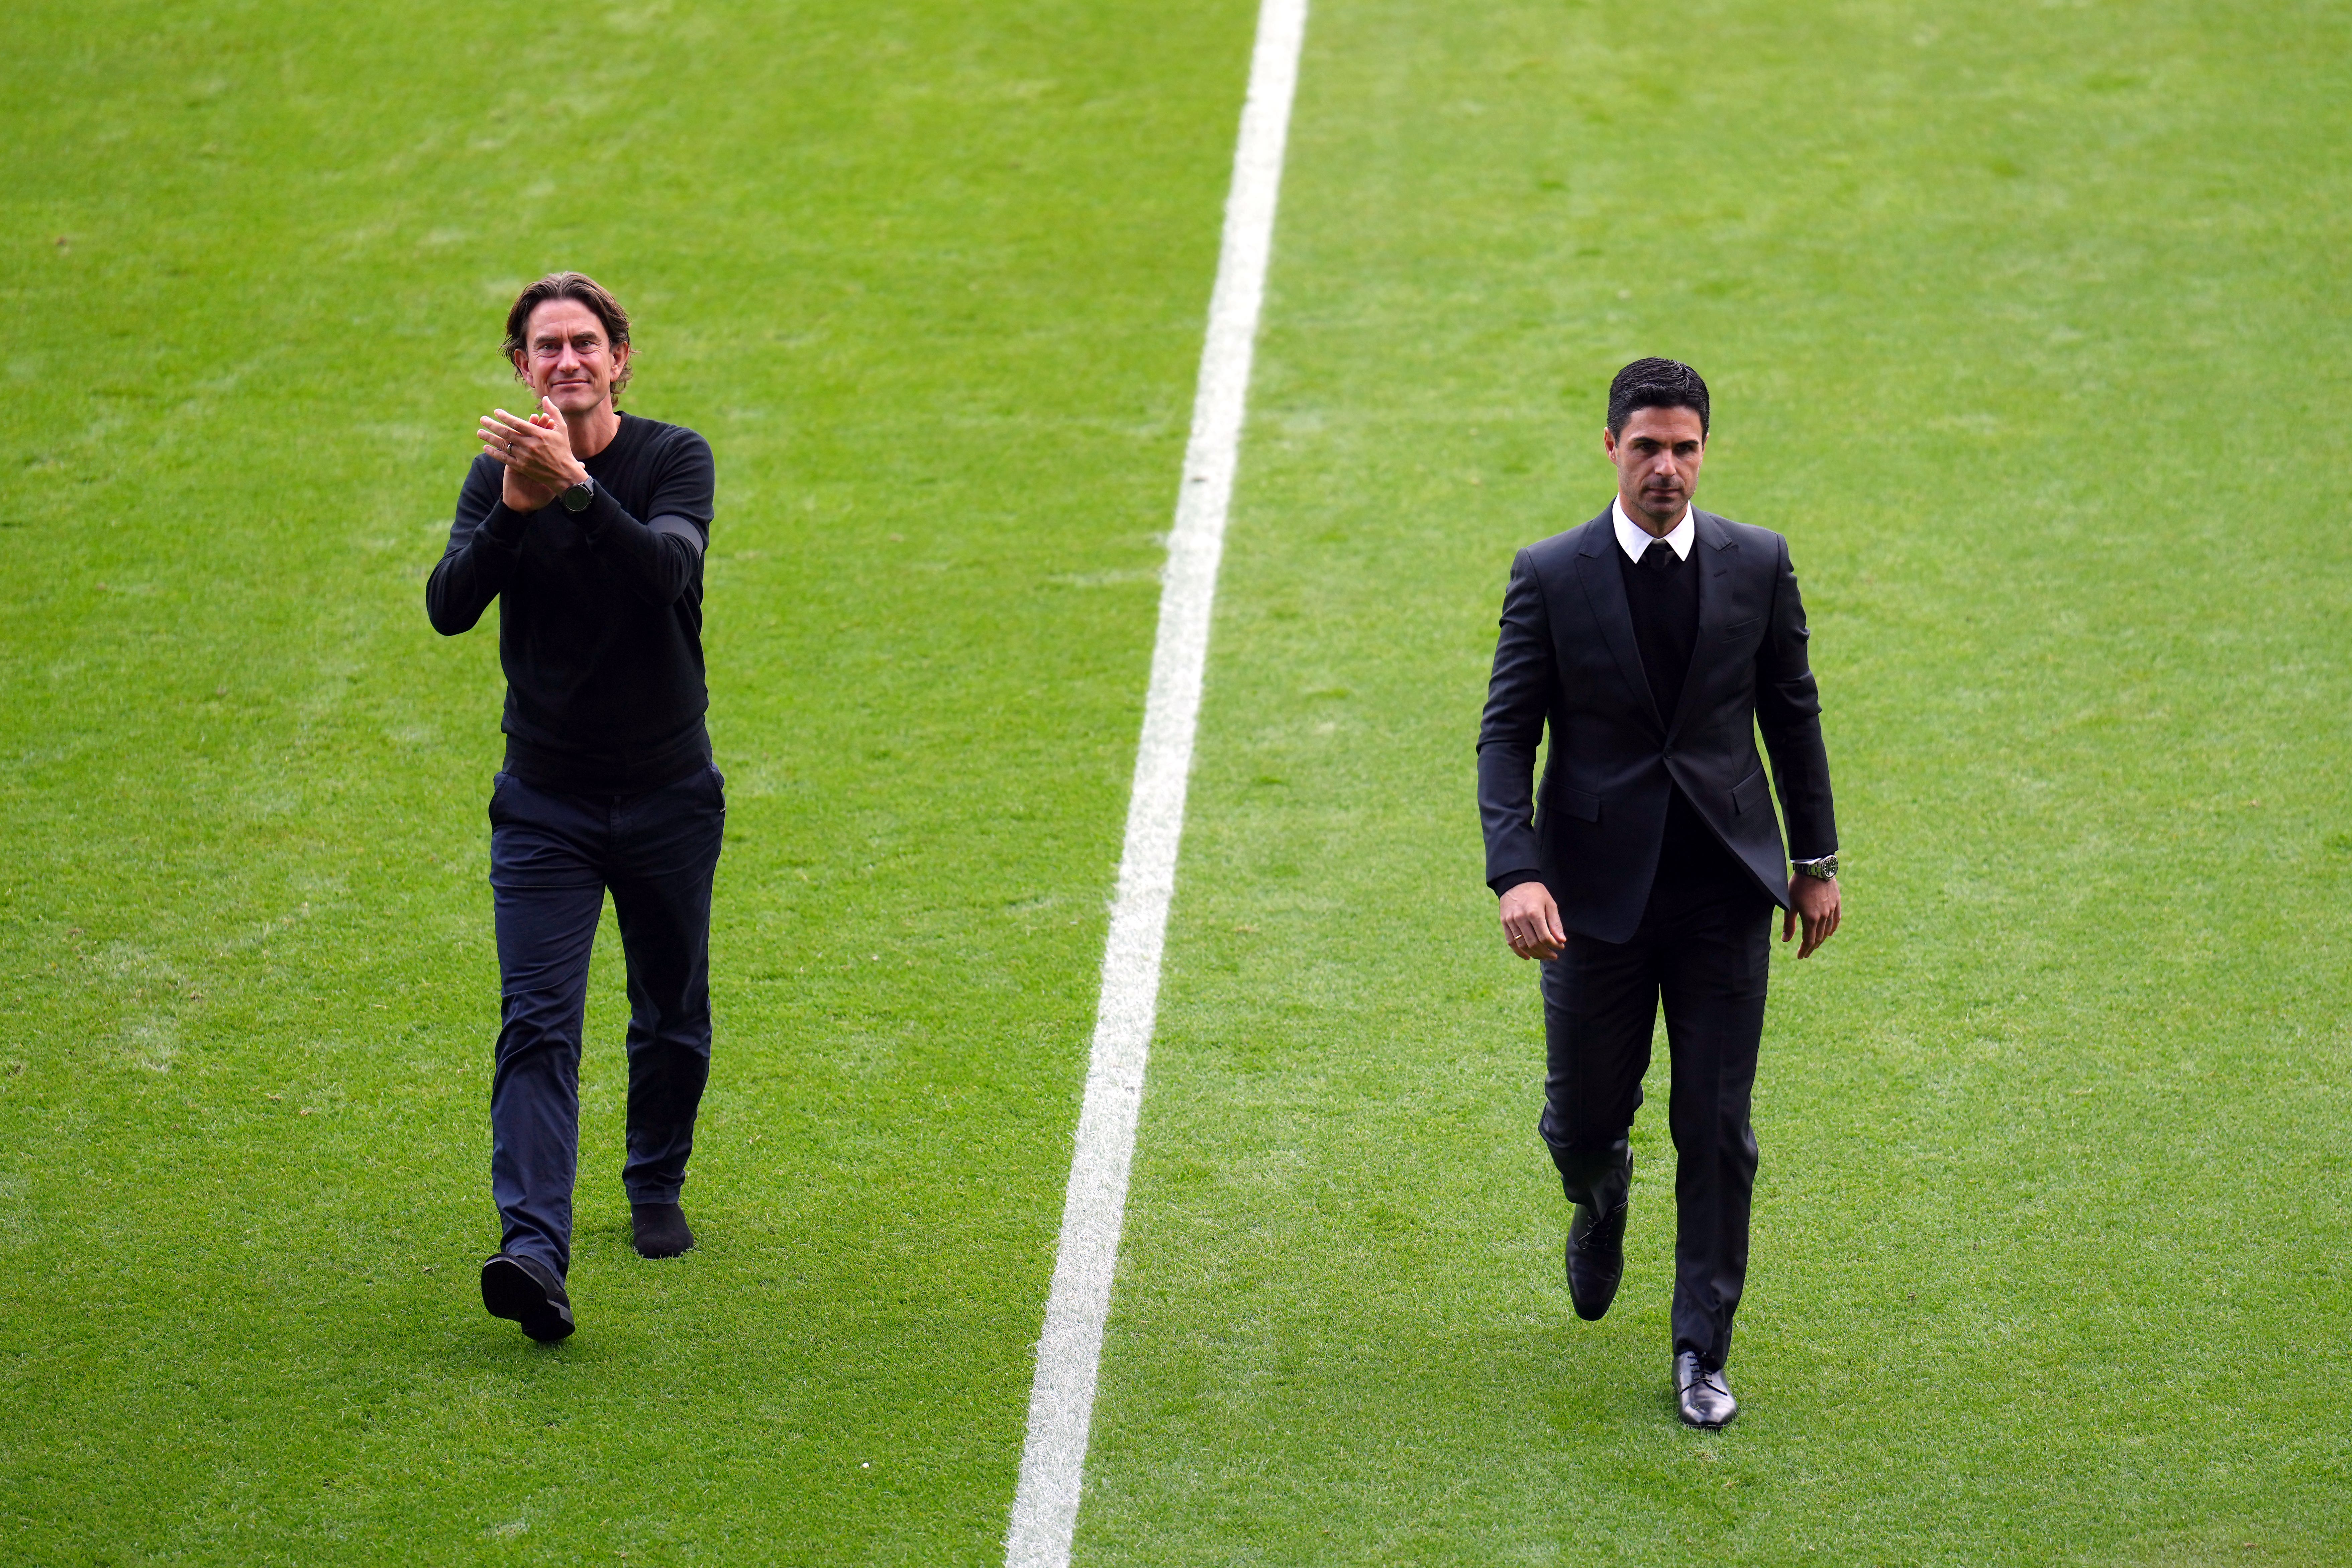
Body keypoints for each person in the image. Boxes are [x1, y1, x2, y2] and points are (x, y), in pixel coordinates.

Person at [1476, 358, 1840, 1427]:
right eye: (1647, 448)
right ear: (1609, 448)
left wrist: (1813, 863)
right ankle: (1599, 1195)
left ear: (1703, 451)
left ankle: (1699, 1349)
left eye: (1684, 448)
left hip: (1725, 892)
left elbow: (1792, 711)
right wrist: (1518, 870)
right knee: (1584, 1121)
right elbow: (1507, 734)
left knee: (1717, 1124)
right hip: (1590, 903)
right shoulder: (1549, 574)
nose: (1667, 469)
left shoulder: (1757, 564)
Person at [426, 272, 723, 1343]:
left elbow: (666, 573)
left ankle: (654, 1179)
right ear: (520, 367)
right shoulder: (497, 478)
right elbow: (448, 608)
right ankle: (534, 1254)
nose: (567, 360)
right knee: (537, 1022)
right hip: (544, 802)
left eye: (584, 342)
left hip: (668, 793)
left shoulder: (672, 457)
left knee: (671, 1008)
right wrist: (516, 507)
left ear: (621, 357)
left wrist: (580, 492)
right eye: (545, 345)